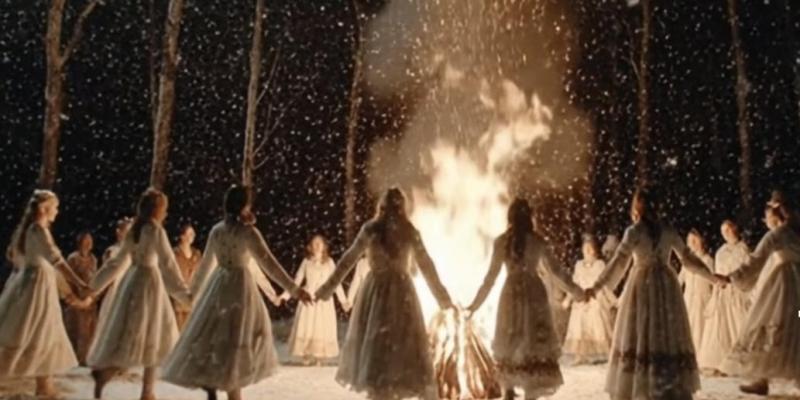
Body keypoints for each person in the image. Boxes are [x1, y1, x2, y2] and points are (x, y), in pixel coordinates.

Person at [162, 185, 313, 400]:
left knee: (217, 338)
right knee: (236, 340)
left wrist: (192, 294)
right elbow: (269, 264)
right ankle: (233, 394)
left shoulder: (217, 230)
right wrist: (295, 290)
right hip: (240, 289)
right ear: (245, 206)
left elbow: (205, 267)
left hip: (218, 285)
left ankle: (219, 388)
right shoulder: (248, 233)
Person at [586, 187, 726, 400]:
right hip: (664, 285)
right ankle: (664, 382)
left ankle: (646, 382)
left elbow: (619, 263)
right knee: (662, 331)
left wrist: (596, 287)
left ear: (637, 207)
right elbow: (688, 258)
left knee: (643, 329)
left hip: (643, 284)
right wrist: (713, 277)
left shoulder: (636, 231)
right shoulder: (665, 230)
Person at [315, 187, 454, 400]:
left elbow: (347, 261)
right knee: (399, 350)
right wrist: (443, 298)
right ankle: (388, 389)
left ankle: (379, 390)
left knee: (377, 349)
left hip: (377, 292)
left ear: (382, 205)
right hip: (402, 294)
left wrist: (327, 289)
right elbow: (427, 266)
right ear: (402, 206)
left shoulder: (372, 229)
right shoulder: (408, 230)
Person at [467, 198, 588, 400]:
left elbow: (490, 278)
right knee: (532, 346)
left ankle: (508, 392)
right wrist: (578, 292)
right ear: (529, 217)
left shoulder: (502, 242)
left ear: (510, 217)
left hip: (511, 297)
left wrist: (474, 305)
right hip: (534, 297)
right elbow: (556, 272)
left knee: (512, 345)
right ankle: (529, 394)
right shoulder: (537, 241)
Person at [85, 188, 192, 400]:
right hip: (149, 284)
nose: (166, 213)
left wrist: (94, 285)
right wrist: (185, 294)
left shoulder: (135, 230)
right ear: (157, 209)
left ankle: (139, 388)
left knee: (131, 334)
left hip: (132, 283)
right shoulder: (156, 231)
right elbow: (168, 265)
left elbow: (116, 263)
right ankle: (144, 390)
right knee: (153, 334)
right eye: (164, 209)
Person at [0, 190, 88, 398]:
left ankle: (44, 383)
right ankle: (38, 382)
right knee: (34, 330)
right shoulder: (38, 230)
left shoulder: (35, 229)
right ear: (44, 209)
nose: (57, 211)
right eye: (54, 207)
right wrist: (78, 282)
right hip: (37, 287)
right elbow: (56, 260)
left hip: (39, 283)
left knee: (44, 331)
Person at [719, 191, 800, 396]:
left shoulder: (777, 235)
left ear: (774, 216)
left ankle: (762, 378)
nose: (766, 222)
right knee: (794, 325)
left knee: (771, 323)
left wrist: (731, 277)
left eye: (767, 217)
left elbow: (755, 261)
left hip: (785, 285)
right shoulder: (794, 231)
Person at [280, 234, 350, 365]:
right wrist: (285, 295)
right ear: (310, 247)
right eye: (314, 243)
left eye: (320, 243)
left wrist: (343, 301)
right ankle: (306, 354)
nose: (317, 245)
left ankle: (319, 356)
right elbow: (297, 280)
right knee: (307, 327)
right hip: (308, 298)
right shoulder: (306, 262)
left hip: (323, 299)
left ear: (324, 246)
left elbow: (335, 283)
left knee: (321, 327)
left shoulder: (329, 262)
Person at [696, 220, 750, 374]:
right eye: (723, 231)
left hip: (737, 292)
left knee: (739, 324)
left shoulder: (743, 249)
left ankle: (742, 362)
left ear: (735, 229)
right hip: (723, 293)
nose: (726, 234)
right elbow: (718, 273)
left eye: (728, 230)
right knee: (721, 328)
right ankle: (720, 362)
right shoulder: (721, 252)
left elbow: (746, 272)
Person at [562, 235, 615, 365]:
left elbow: (603, 284)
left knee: (596, 314)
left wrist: (612, 300)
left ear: (595, 250)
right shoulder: (579, 265)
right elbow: (574, 283)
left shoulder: (599, 265)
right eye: (585, 248)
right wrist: (568, 299)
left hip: (594, 297)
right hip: (581, 297)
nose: (587, 250)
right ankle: (581, 353)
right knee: (578, 316)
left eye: (590, 248)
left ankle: (597, 353)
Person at [64, 230, 99, 365]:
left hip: (90, 297)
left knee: (90, 329)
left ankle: (86, 357)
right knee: (77, 328)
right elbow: (68, 277)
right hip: (76, 296)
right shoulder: (73, 258)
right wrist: (72, 294)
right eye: (86, 240)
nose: (89, 243)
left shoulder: (93, 259)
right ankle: (75, 358)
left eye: (90, 241)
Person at [678, 229, 714, 352]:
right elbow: (680, 279)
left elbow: (713, 281)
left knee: (700, 327)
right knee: (689, 327)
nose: (692, 243)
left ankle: (700, 353)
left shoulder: (708, 260)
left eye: (695, 240)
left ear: (701, 240)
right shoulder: (687, 261)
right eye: (690, 241)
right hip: (689, 298)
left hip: (702, 298)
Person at [173, 223, 202, 330]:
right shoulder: (175, 254)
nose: (193, 236)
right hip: (179, 295)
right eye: (190, 233)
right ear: (182, 236)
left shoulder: (196, 254)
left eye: (193, 233)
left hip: (193, 293)